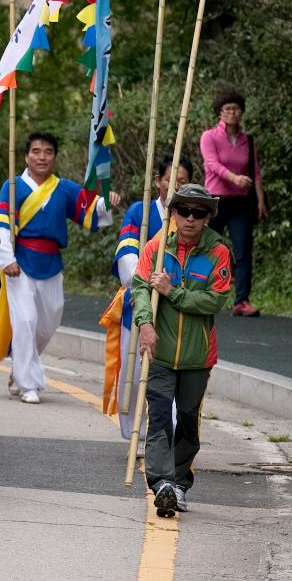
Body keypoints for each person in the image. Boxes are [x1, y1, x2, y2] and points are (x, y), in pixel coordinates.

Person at [0, 131, 115, 403]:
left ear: (55, 157)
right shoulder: (13, 186)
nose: (41, 157)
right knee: (25, 320)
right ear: (26, 156)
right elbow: (2, 225)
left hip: (52, 263)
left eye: (48, 152)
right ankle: (28, 384)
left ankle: (19, 363)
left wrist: (106, 202)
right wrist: (6, 258)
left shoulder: (65, 188)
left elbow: (91, 215)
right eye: (36, 151)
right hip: (20, 262)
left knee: (48, 323)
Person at [132, 183, 233, 517]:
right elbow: (141, 288)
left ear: (207, 218)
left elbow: (215, 300)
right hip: (159, 352)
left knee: (188, 422)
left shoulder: (218, 252)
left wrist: (173, 292)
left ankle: (179, 482)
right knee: (159, 417)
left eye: (199, 213)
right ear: (173, 213)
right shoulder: (157, 247)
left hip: (196, 357)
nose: (190, 218)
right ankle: (161, 483)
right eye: (184, 210)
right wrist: (145, 324)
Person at [104, 154, 192, 442]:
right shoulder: (139, 212)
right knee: (134, 371)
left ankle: (169, 434)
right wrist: (143, 278)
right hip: (138, 303)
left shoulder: (192, 217)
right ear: (158, 181)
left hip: (176, 307)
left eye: (182, 182)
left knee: (171, 374)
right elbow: (128, 256)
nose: (175, 187)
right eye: (170, 180)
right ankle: (134, 433)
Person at [200, 89, 268, 317]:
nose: (232, 112)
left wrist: (260, 200)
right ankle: (199, 291)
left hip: (240, 203)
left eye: (236, 109)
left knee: (243, 252)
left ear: (241, 112)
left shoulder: (247, 141)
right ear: (220, 112)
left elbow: (255, 172)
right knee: (206, 247)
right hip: (214, 201)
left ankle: (241, 301)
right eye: (228, 108)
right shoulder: (209, 136)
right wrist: (234, 178)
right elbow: (212, 165)